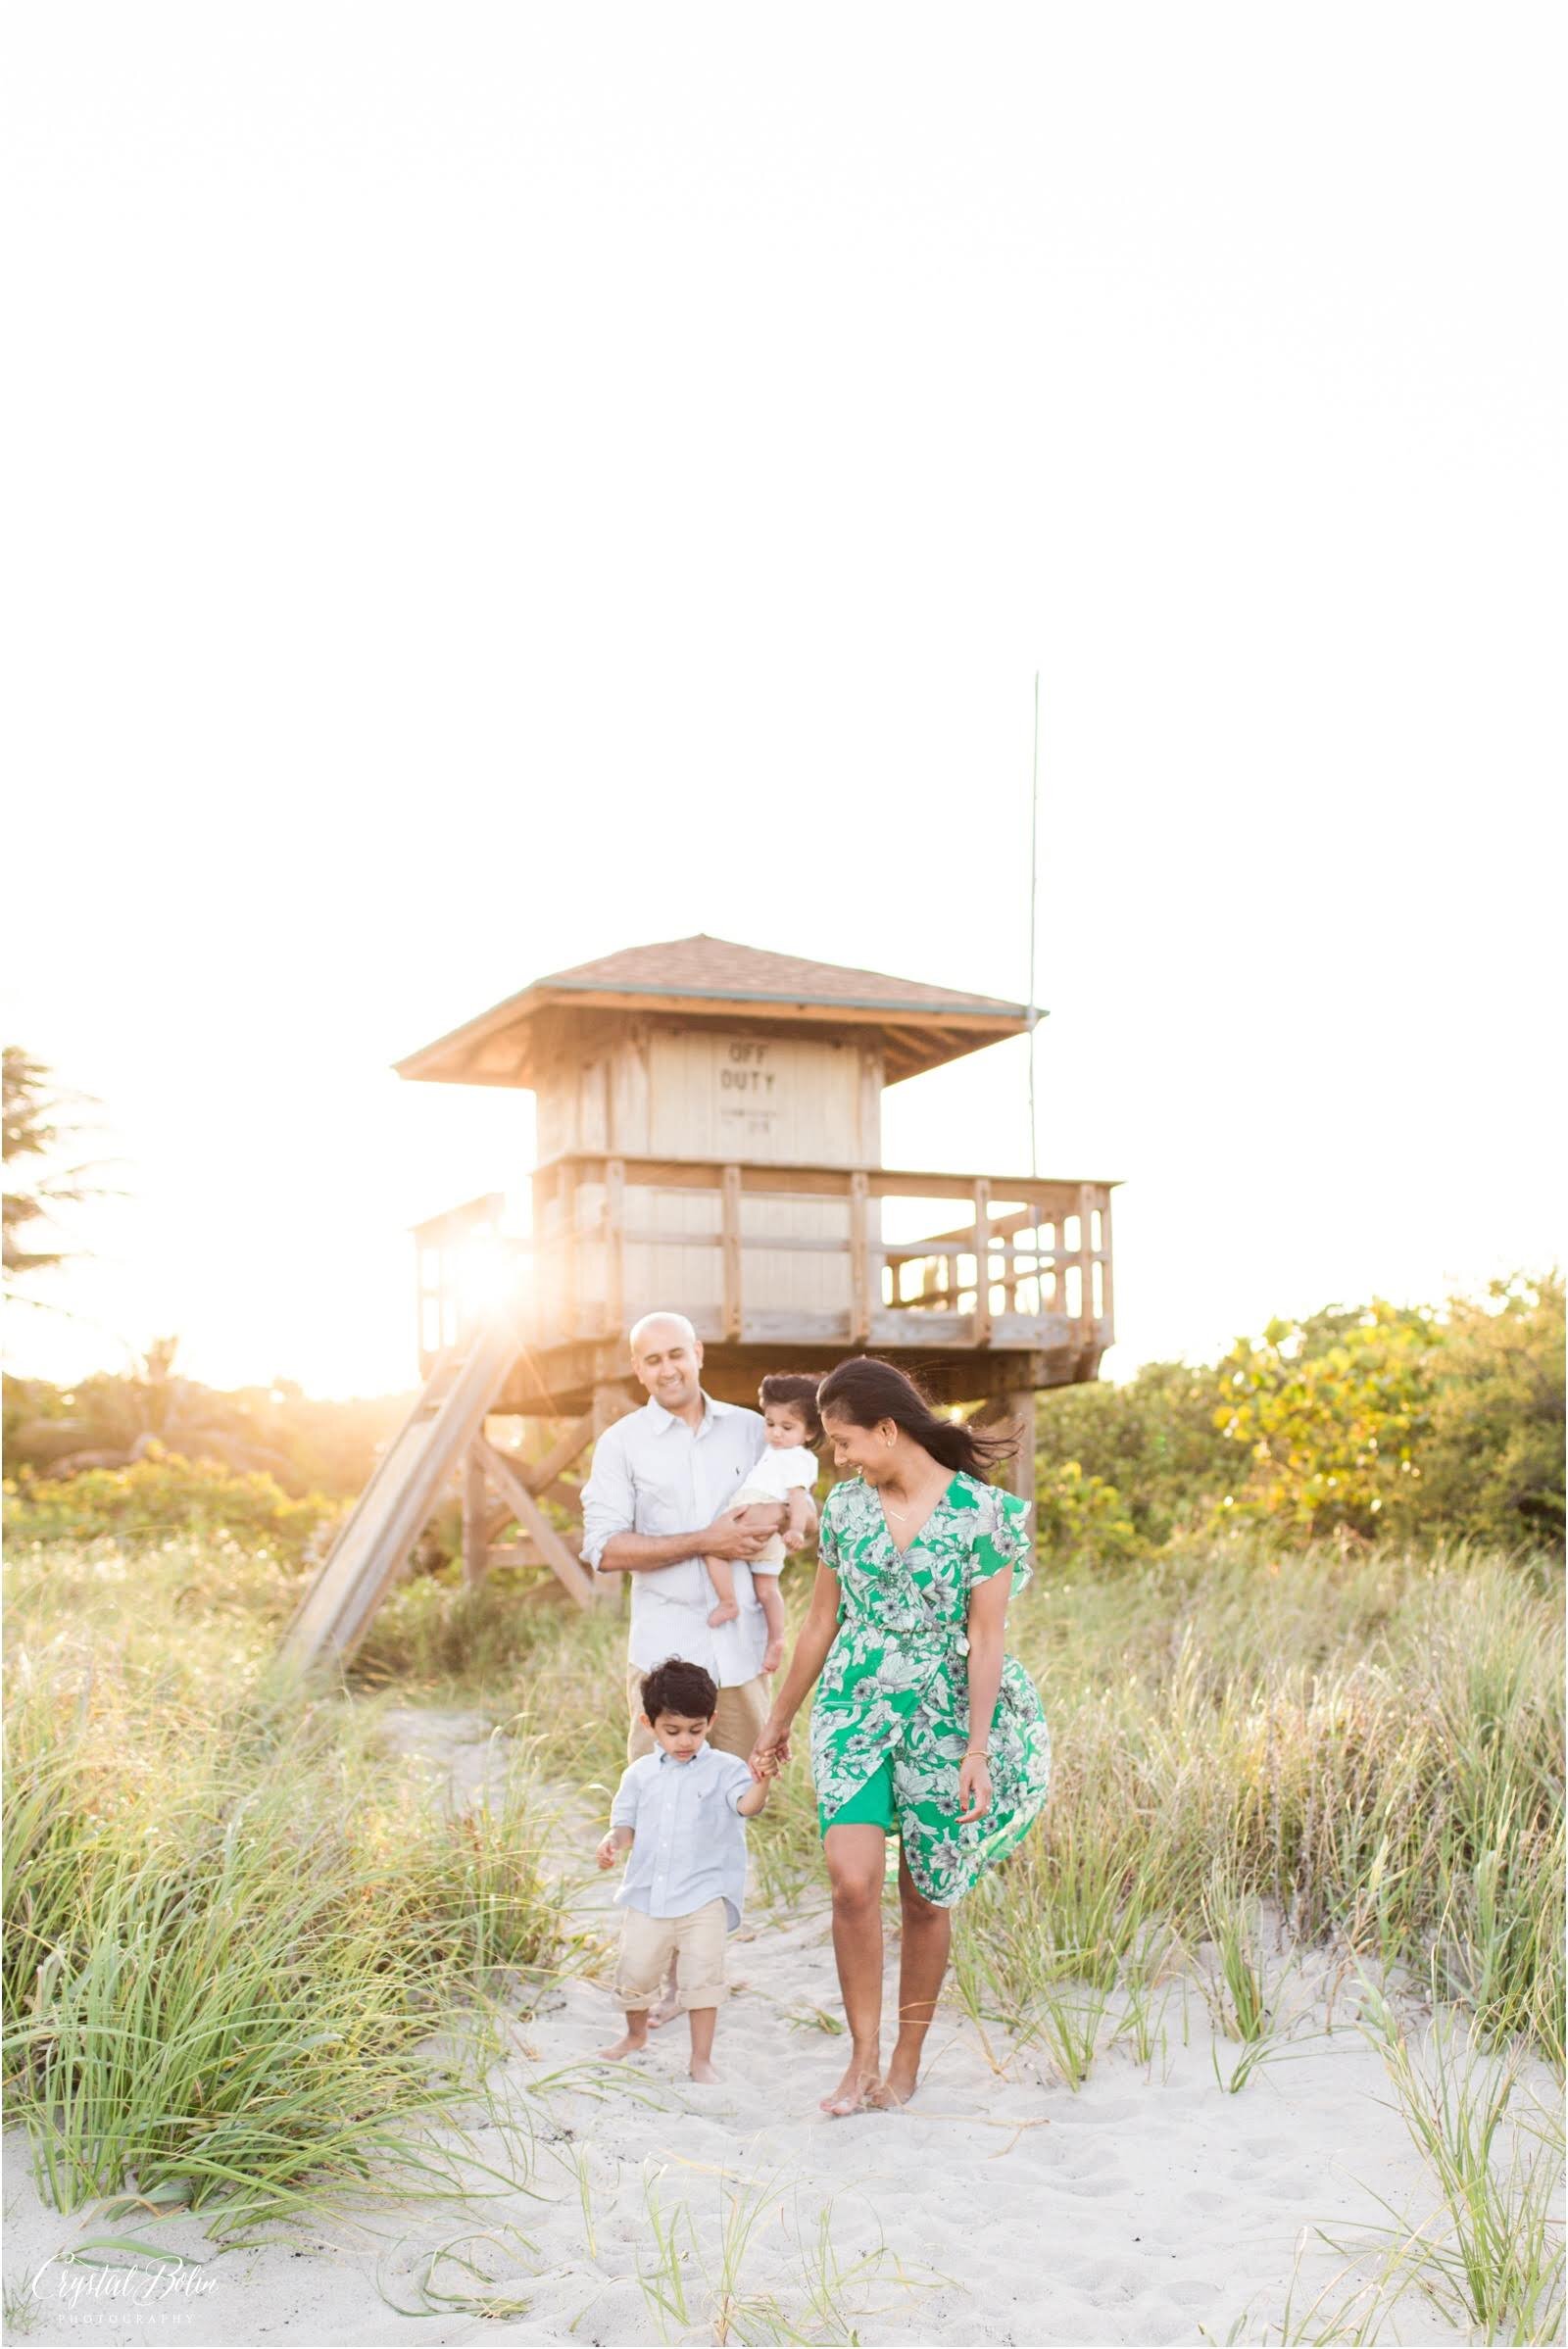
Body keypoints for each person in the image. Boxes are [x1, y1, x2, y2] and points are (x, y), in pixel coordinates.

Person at [750, 1356, 1051, 2118]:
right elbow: (821, 1620)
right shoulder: (848, 1510)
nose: (839, 1458)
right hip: (855, 1704)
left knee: (925, 1893)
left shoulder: (986, 1515)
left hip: (945, 1713)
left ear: (888, 1428)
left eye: (846, 1442)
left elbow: (987, 1640)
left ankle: (907, 2058)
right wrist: (780, 1718)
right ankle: (860, 2057)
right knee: (852, 1881)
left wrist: (977, 1749)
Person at [579, 1311, 818, 1768]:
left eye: (676, 1355)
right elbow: (603, 1549)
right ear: (638, 1368)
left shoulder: (754, 1430)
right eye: (652, 1360)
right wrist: (707, 1541)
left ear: (698, 1354)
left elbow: (807, 1513)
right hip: (663, 1659)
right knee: (659, 1800)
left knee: (745, 1794)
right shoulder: (620, 1443)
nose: (667, 1369)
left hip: (741, 1655)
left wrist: (781, 1517)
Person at [597, 1658, 770, 2083]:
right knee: (635, 1972)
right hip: (648, 1895)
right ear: (649, 1723)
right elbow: (626, 1825)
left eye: (696, 1729)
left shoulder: (727, 1770)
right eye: (672, 1731)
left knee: (703, 1978)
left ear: (711, 1720)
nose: (685, 1740)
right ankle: (635, 2036)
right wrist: (612, 1842)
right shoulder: (639, 1775)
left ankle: (700, 2059)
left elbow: (748, 1806)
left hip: (704, 1895)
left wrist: (763, 1780)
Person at [702, 1374, 822, 1672]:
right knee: (767, 1591)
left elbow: (797, 1497)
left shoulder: (796, 1458)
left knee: (711, 1550)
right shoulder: (779, 1452)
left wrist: (795, 1529)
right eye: (770, 1424)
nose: (776, 1433)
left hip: (755, 1523)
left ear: (809, 1433)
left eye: (787, 1427)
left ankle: (728, 1601)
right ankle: (776, 1639)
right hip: (766, 1533)